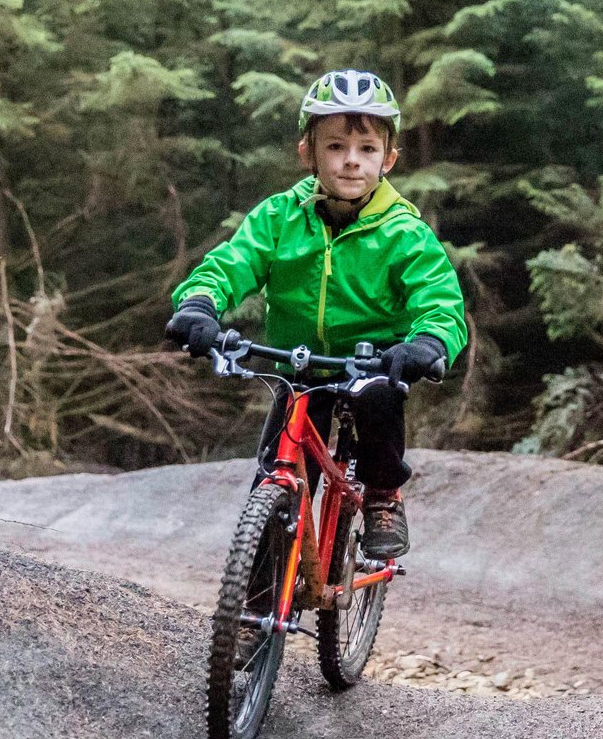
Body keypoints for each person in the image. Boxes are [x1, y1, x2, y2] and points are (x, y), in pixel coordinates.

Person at [164, 70, 467, 560]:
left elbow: (440, 300)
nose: (351, 161)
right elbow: (230, 265)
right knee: (275, 473)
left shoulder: (404, 232)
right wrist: (200, 305)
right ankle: (257, 609)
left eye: (367, 149)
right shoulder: (279, 218)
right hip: (298, 365)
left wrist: (429, 343)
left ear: (388, 159)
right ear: (307, 151)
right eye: (335, 147)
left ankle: (384, 497)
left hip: (373, 365)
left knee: (381, 401)